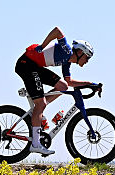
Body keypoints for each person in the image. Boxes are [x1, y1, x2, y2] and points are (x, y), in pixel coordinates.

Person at [15, 27, 95, 156]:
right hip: (27, 65)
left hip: (35, 66)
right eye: (87, 57)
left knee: (62, 86)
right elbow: (57, 31)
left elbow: (69, 82)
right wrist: (43, 45)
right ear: (80, 52)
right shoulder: (67, 50)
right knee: (41, 104)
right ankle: (35, 144)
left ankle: (39, 110)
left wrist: (89, 84)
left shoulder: (67, 61)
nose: (87, 61)